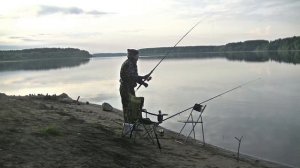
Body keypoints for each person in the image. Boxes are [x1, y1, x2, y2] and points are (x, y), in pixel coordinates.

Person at [119, 49, 151, 123]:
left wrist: (143, 83)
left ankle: (132, 124)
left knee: (133, 106)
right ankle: (128, 126)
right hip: (126, 89)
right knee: (128, 107)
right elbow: (132, 77)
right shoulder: (129, 64)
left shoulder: (132, 63)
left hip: (129, 88)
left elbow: (134, 77)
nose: (138, 57)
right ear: (133, 56)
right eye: (137, 56)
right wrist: (143, 77)